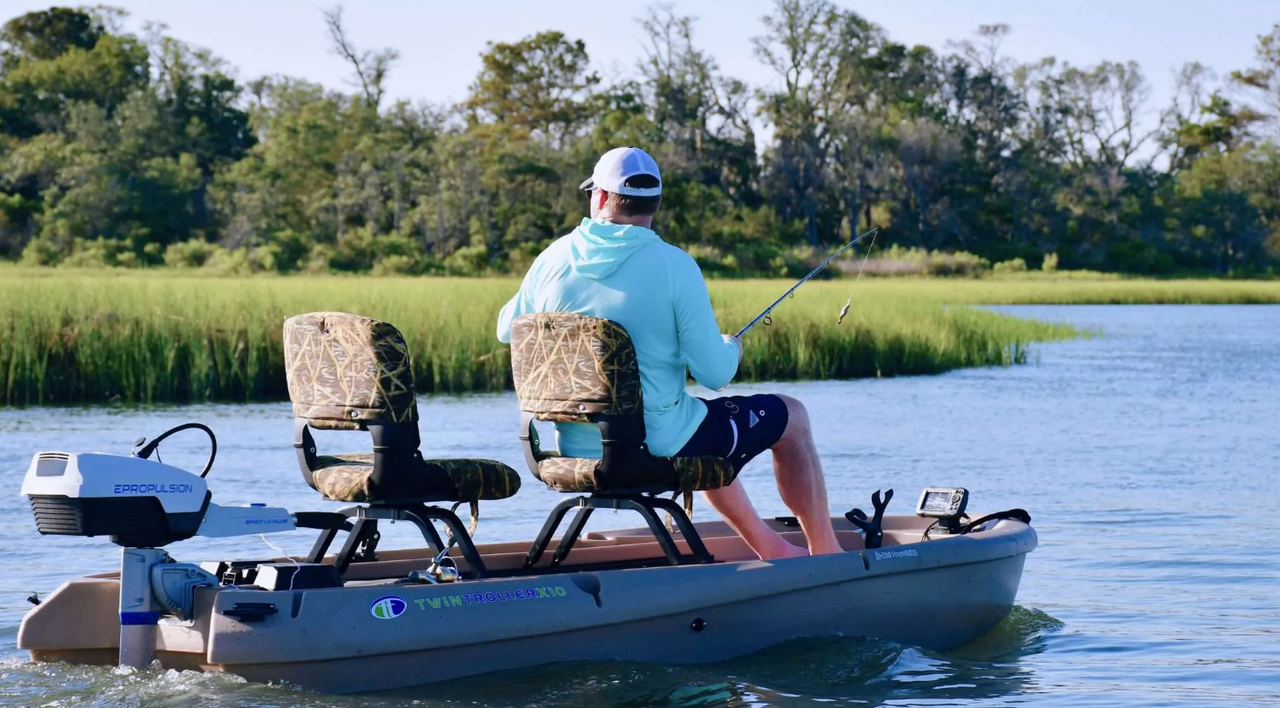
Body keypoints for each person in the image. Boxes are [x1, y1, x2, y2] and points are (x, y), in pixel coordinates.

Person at [496, 146, 842, 560]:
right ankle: (827, 554)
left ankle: (773, 547)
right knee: (792, 416)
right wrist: (731, 347)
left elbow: (507, 329)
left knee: (702, 422)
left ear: (600, 197)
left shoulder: (551, 258)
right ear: (655, 203)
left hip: (566, 448)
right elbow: (715, 374)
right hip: (655, 445)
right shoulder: (675, 266)